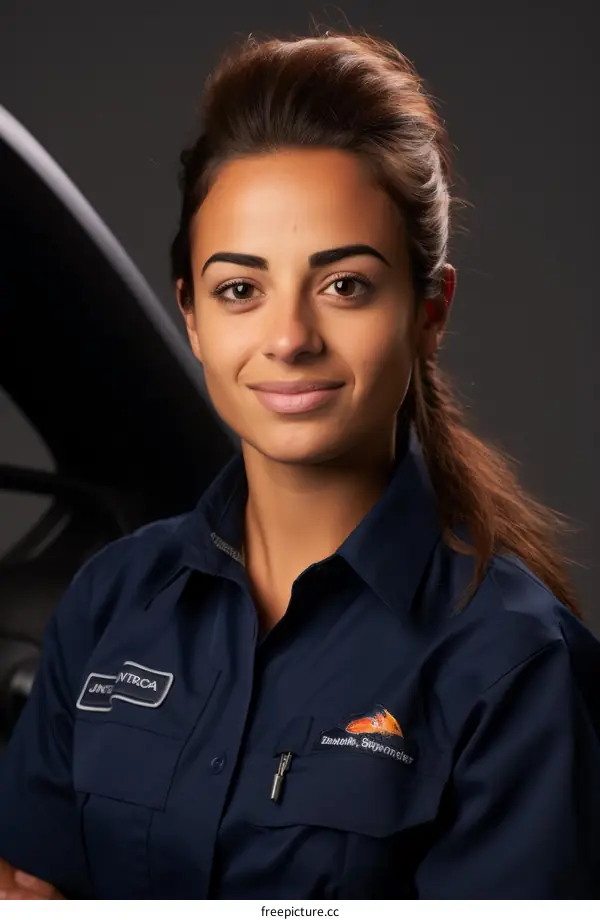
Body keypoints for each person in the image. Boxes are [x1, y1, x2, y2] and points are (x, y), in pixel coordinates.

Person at [0, 28, 599, 900]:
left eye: (344, 285)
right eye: (240, 289)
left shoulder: (516, 666)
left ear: (429, 312)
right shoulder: (111, 601)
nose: (288, 338)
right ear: (194, 317)